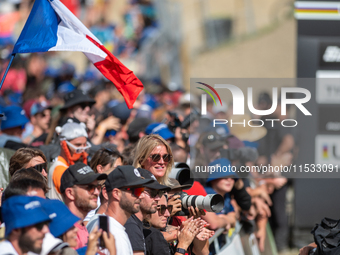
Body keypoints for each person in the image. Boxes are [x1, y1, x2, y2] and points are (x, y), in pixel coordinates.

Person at [86, 165, 154, 255]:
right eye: (136, 190)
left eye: (141, 190)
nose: (141, 196)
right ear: (116, 193)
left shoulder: (102, 221)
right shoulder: (114, 234)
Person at [60, 162, 107, 249]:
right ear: (70, 193)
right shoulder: (65, 231)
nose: (97, 192)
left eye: (98, 187)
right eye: (90, 188)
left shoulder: (80, 225)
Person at [125, 168, 170, 255]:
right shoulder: (131, 226)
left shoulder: (135, 224)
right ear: (139, 192)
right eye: (153, 193)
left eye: (159, 193)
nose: (158, 198)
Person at [47, 121, 90, 200]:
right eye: (78, 145)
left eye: (84, 145)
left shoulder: (67, 166)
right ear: (63, 144)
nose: (82, 149)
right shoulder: (60, 169)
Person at [83, 147, 123, 225]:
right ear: (100, 169)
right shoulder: (92, 193)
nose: (121, 172)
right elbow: (86, 224)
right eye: (117, 168)